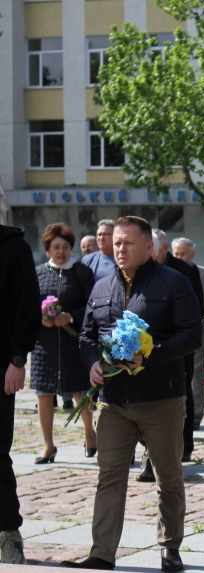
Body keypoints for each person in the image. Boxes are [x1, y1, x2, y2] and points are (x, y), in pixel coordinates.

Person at [62, 216, 201, 572]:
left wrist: (150, 356)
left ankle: (170, 548)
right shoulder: (102, 286)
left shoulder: (175, 283)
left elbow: (191, 335)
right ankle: (102, 553)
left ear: (149, 247)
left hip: (162, 400)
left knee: (168, 478)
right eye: (116, 243)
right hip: (115, 402)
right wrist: (92, 361)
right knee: (109, 476)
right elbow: (87, 335)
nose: (119, 249)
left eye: (127, 243)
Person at [136, 229, 204, 482]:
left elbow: (195, 311)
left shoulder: (183, 271)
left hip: (176, 346)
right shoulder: (136, 272)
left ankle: (183, 446)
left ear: (160, 248)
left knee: (180, 396)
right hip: (144, 348)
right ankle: (149, 457)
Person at [30, 224, 97, 463]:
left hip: (72, 339)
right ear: (47, 249)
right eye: (56, 247)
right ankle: (48, 445)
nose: (61, 252)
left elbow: (92, 304)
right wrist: (41, 318)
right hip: (44, 343)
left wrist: (70, 316)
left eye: (65, 247)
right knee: (44, 391)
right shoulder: (37, 273)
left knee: (80, 389)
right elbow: (27, 305)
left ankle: (90, 432)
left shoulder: (81, 272)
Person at [0, 224, 41, 564]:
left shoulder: (13, 247)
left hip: (1, 367)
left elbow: (27, 307)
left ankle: (7, 532)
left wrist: (17, 359)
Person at [172, 237, 204, 430]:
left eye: (183, 253)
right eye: (176, 254)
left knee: (197, 379)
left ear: (193, 254)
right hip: (172, 336)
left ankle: (195, 417)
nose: (179, 257)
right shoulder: (167, 274)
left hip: (198, 337)